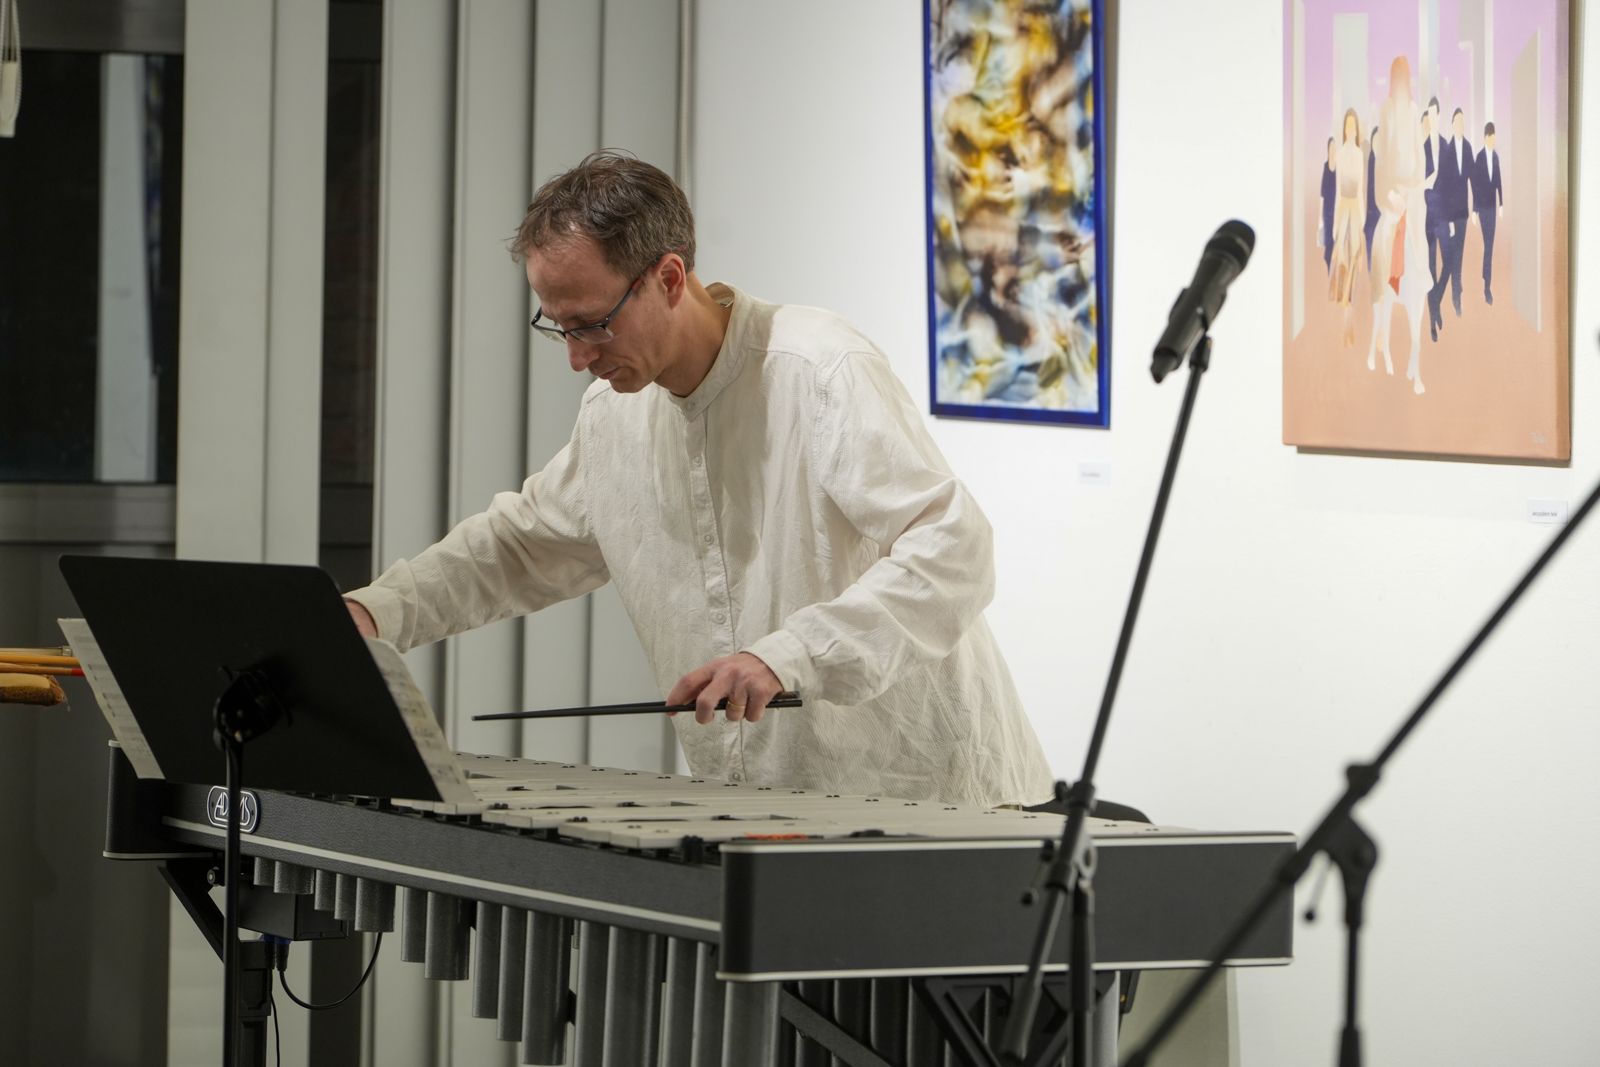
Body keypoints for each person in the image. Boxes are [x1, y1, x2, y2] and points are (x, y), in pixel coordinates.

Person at [341, 152, 1054, 809]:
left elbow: (953, 549)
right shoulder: (613, 416)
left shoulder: (819, 369)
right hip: (759, 809)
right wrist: (378, 612)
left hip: (931, 799)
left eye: (591, 324)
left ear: (669, 278)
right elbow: (521, 546)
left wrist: (790, 654)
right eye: (557, 326)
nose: (577, 358)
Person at [1368, 55, 1434, 394]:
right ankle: (1381, 331)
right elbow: (1382, 165)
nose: (1403, 83)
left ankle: (1415, 359)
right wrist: (1391, 198)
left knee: (1421, 267)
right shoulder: (1387, 110)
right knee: (1385, 256)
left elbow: (1420, 159)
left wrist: (1417, 190)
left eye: (1406, 77)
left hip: (1414, 201)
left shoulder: (1414, 109)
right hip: (1393, 201)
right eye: (1399, 77)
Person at [1427, 108, 1472, 330]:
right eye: (1456, 121)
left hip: (1463, 213)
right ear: (1452, 124)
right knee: (1450, 258)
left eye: (1462, 122)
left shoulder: (1468, 148)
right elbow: (1444, 185)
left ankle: (1454, 293)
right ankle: (1451, 294)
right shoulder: (1447, 150)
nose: (1459, 125)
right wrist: (1447, 217)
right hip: (1449, 215)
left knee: (1458, 256)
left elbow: (1473, 177)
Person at [1329, 109, 1366, 346]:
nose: (1350, 129)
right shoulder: (1341, 154)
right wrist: (1335, 225)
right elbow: (1337, 190)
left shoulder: (1360, 154)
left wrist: (1361, 222)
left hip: (1355, 211)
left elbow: (1360, 190)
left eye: (1353, 125)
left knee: (1354, 262)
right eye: (1347, 125)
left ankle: (1349, 321)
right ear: (1344, 129)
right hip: (1343, 209)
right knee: (1342, 264)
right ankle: (1345, 322)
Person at [1474, 121, 1503, 304]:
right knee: (1488, 245)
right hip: (1483, 209)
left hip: (1492, 208)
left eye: (1494, 138)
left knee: (1489, 246)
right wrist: (1474, 209)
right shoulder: (1479, 157)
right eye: (1491, 138)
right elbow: (1475, 186)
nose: (1493, 141)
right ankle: (1486, 281)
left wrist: (1502, 204)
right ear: (1486, 138)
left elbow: (1498, 180)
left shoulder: (1496, 157)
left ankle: (1486, 281)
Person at [1364, 126, 1380, 272]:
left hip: (1380, 215)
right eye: (1374, 140)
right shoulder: (1369, 159)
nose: (1377, 143)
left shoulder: (1384, 163)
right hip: (1369, 218)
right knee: (1370, 253)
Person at [1321, 137, 1337, 274]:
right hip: (1327, 214)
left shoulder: (1339, 168)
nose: (1332, 150)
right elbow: (1323, 193)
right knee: (1328, 245)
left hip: (1337, 212)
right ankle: (1329, 272)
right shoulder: (1326, 167)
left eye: (1334, 147)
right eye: (1330, 147)